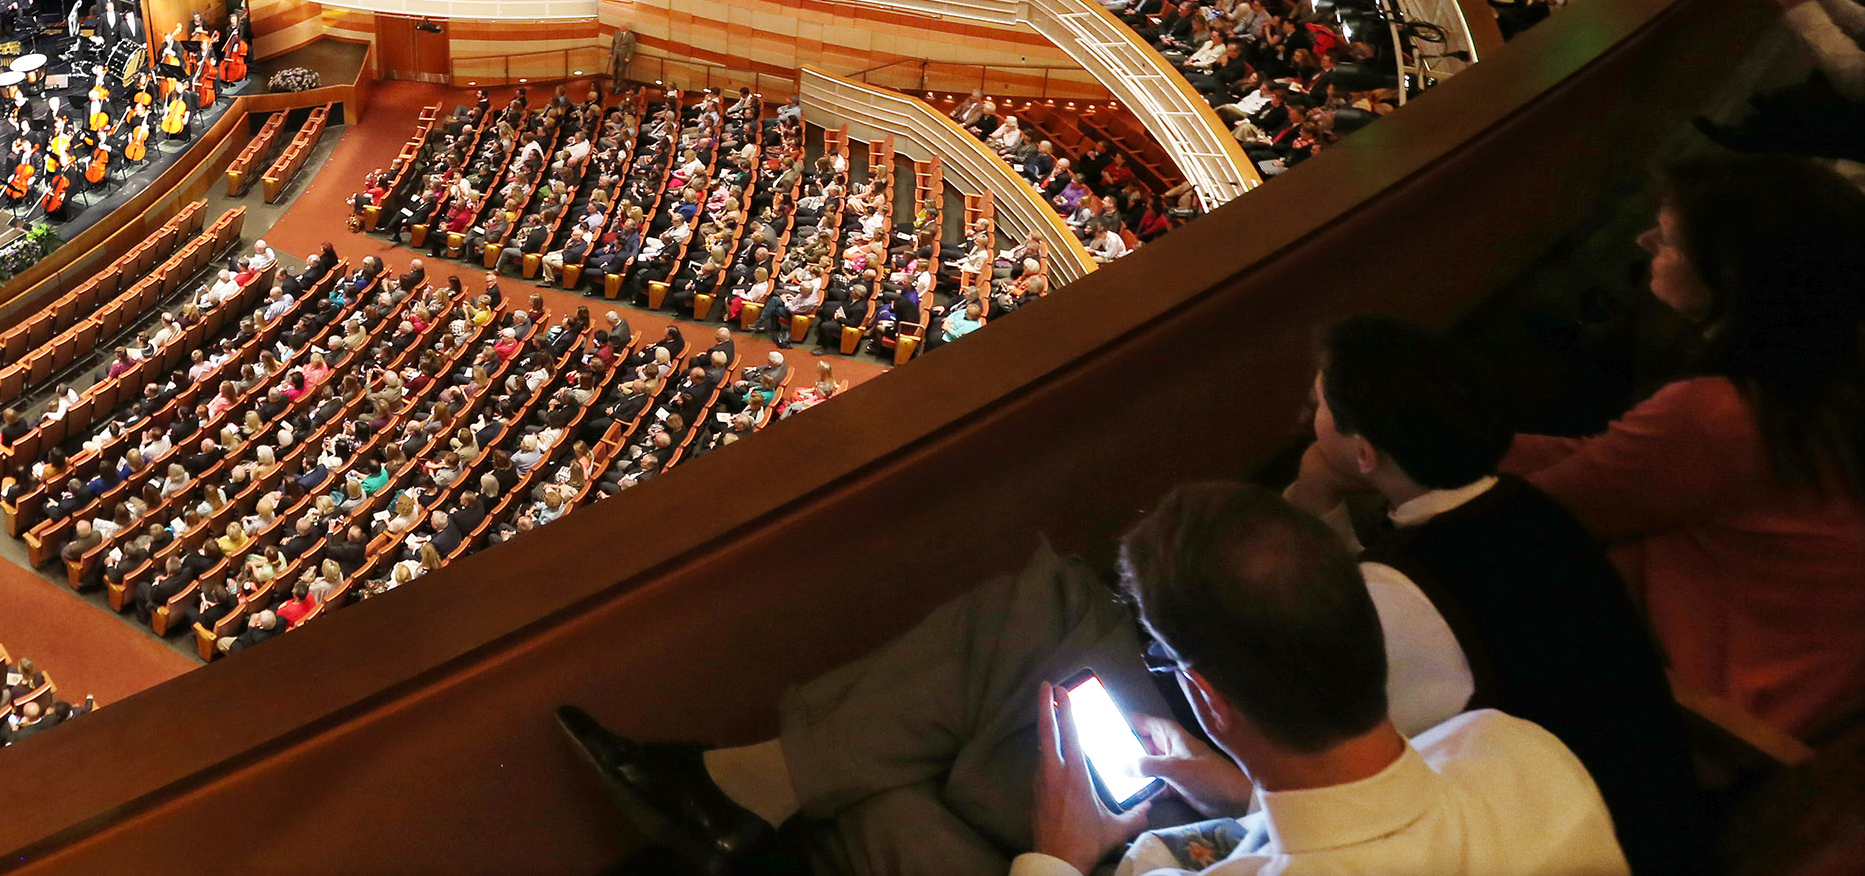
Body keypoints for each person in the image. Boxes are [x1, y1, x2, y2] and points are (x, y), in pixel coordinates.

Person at [558, 481, 1626, 876]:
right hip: (1230, 812)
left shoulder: (1514, 753)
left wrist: (1056, 858)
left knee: (889, 810)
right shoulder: (1526, 758)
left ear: (1205, 694)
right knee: (1013, 661)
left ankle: (751, 799)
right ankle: (751, 797)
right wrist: (1228, 785)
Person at [1282, 316, 1713, 875]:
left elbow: (1364, 762)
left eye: (1317, 404)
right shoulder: (1523, 504)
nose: (1304, 419)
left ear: (1365, 453)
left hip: (1590, 850)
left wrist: (1318, 506)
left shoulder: (1405, 588)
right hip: (1666, 818)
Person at [1500, 154, 1865, 740]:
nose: (1644, 241)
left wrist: (1380, 451)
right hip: (1818, 680)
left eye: (1667, 240)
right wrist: (1473, 438)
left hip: (1731, 719)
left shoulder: (1719, 414)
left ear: (1733, 276)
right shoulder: (1825, 368)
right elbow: (1615, 464)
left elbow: (1536, 515)